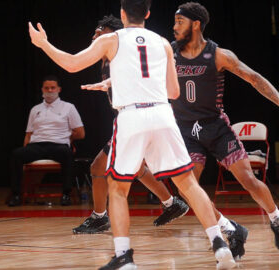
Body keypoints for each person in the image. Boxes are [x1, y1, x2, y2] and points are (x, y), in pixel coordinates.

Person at [29, 0, 236, 269]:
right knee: (188, 184)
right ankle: (220, 246)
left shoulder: (111, 40)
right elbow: (174, 93)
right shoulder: (163, 43)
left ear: (123, 14)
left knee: (117, 188)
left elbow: (71, 64)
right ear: (148, 14)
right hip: (163, 114)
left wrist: (43, 44)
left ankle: (124, 257)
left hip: (132, 115)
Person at [171, 2, 279, 256]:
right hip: (186, 130)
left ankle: (275, 218)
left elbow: (254, 78)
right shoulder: (168, 52)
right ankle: (229, 228)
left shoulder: (218, 55)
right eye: (174, 22)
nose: (174, 27)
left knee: (249, 181)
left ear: (195, 24)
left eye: (180, 22)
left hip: (216, 127)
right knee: (187, 190)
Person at [73, 15, 189, 235]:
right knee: (137, 169)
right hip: (142, 118)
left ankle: (100, 217)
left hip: (141, 117)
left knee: (99, 167)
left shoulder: (119, 54)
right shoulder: (110, 58)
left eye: (99, 31)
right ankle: (171, 203)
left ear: (112, 34)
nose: (94, 35)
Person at [7, 75, 85, 206]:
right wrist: (26, 147)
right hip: (37, 145)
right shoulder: (35, 109)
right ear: (42, 89)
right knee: (17, 154)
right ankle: (16, 195)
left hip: (58, 144)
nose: (49, 90)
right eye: (46, 88)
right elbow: (29, 133)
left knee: (67, 154)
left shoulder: (68, 107)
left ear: (59, 89)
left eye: (52, 88)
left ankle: (66, 194)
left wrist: (68, 138)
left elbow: (81, 133)